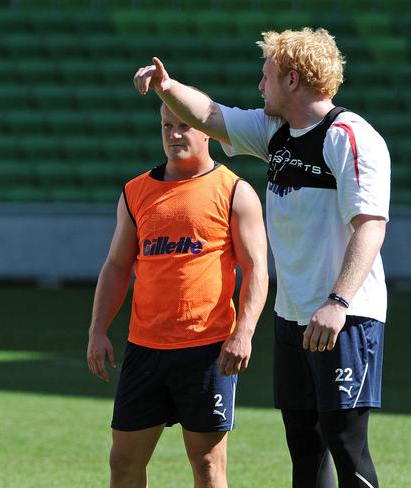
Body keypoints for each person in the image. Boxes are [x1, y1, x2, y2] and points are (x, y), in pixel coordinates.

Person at [133, 28, 390, 488]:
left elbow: (371, 225)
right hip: (293, 316)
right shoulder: (277, 132)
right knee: (304, 446)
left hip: (344, 317)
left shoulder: (349, 137)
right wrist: (167, 87)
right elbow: (211, 115)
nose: (259, 86)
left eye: (265, 76)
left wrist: (338, 301)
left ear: (293, 80)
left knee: (346, 444)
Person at [87, 102, 268, 488]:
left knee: (206, 465)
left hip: (207, 349)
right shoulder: (136, 191)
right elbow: (117, 266)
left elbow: (256, 270)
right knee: (123, 460)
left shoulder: (236, 192)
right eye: (167, 126)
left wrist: (245, 332)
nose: (174, 135)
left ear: (207, 130)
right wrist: (98, 329)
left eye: (184, 126)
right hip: (145, 347)